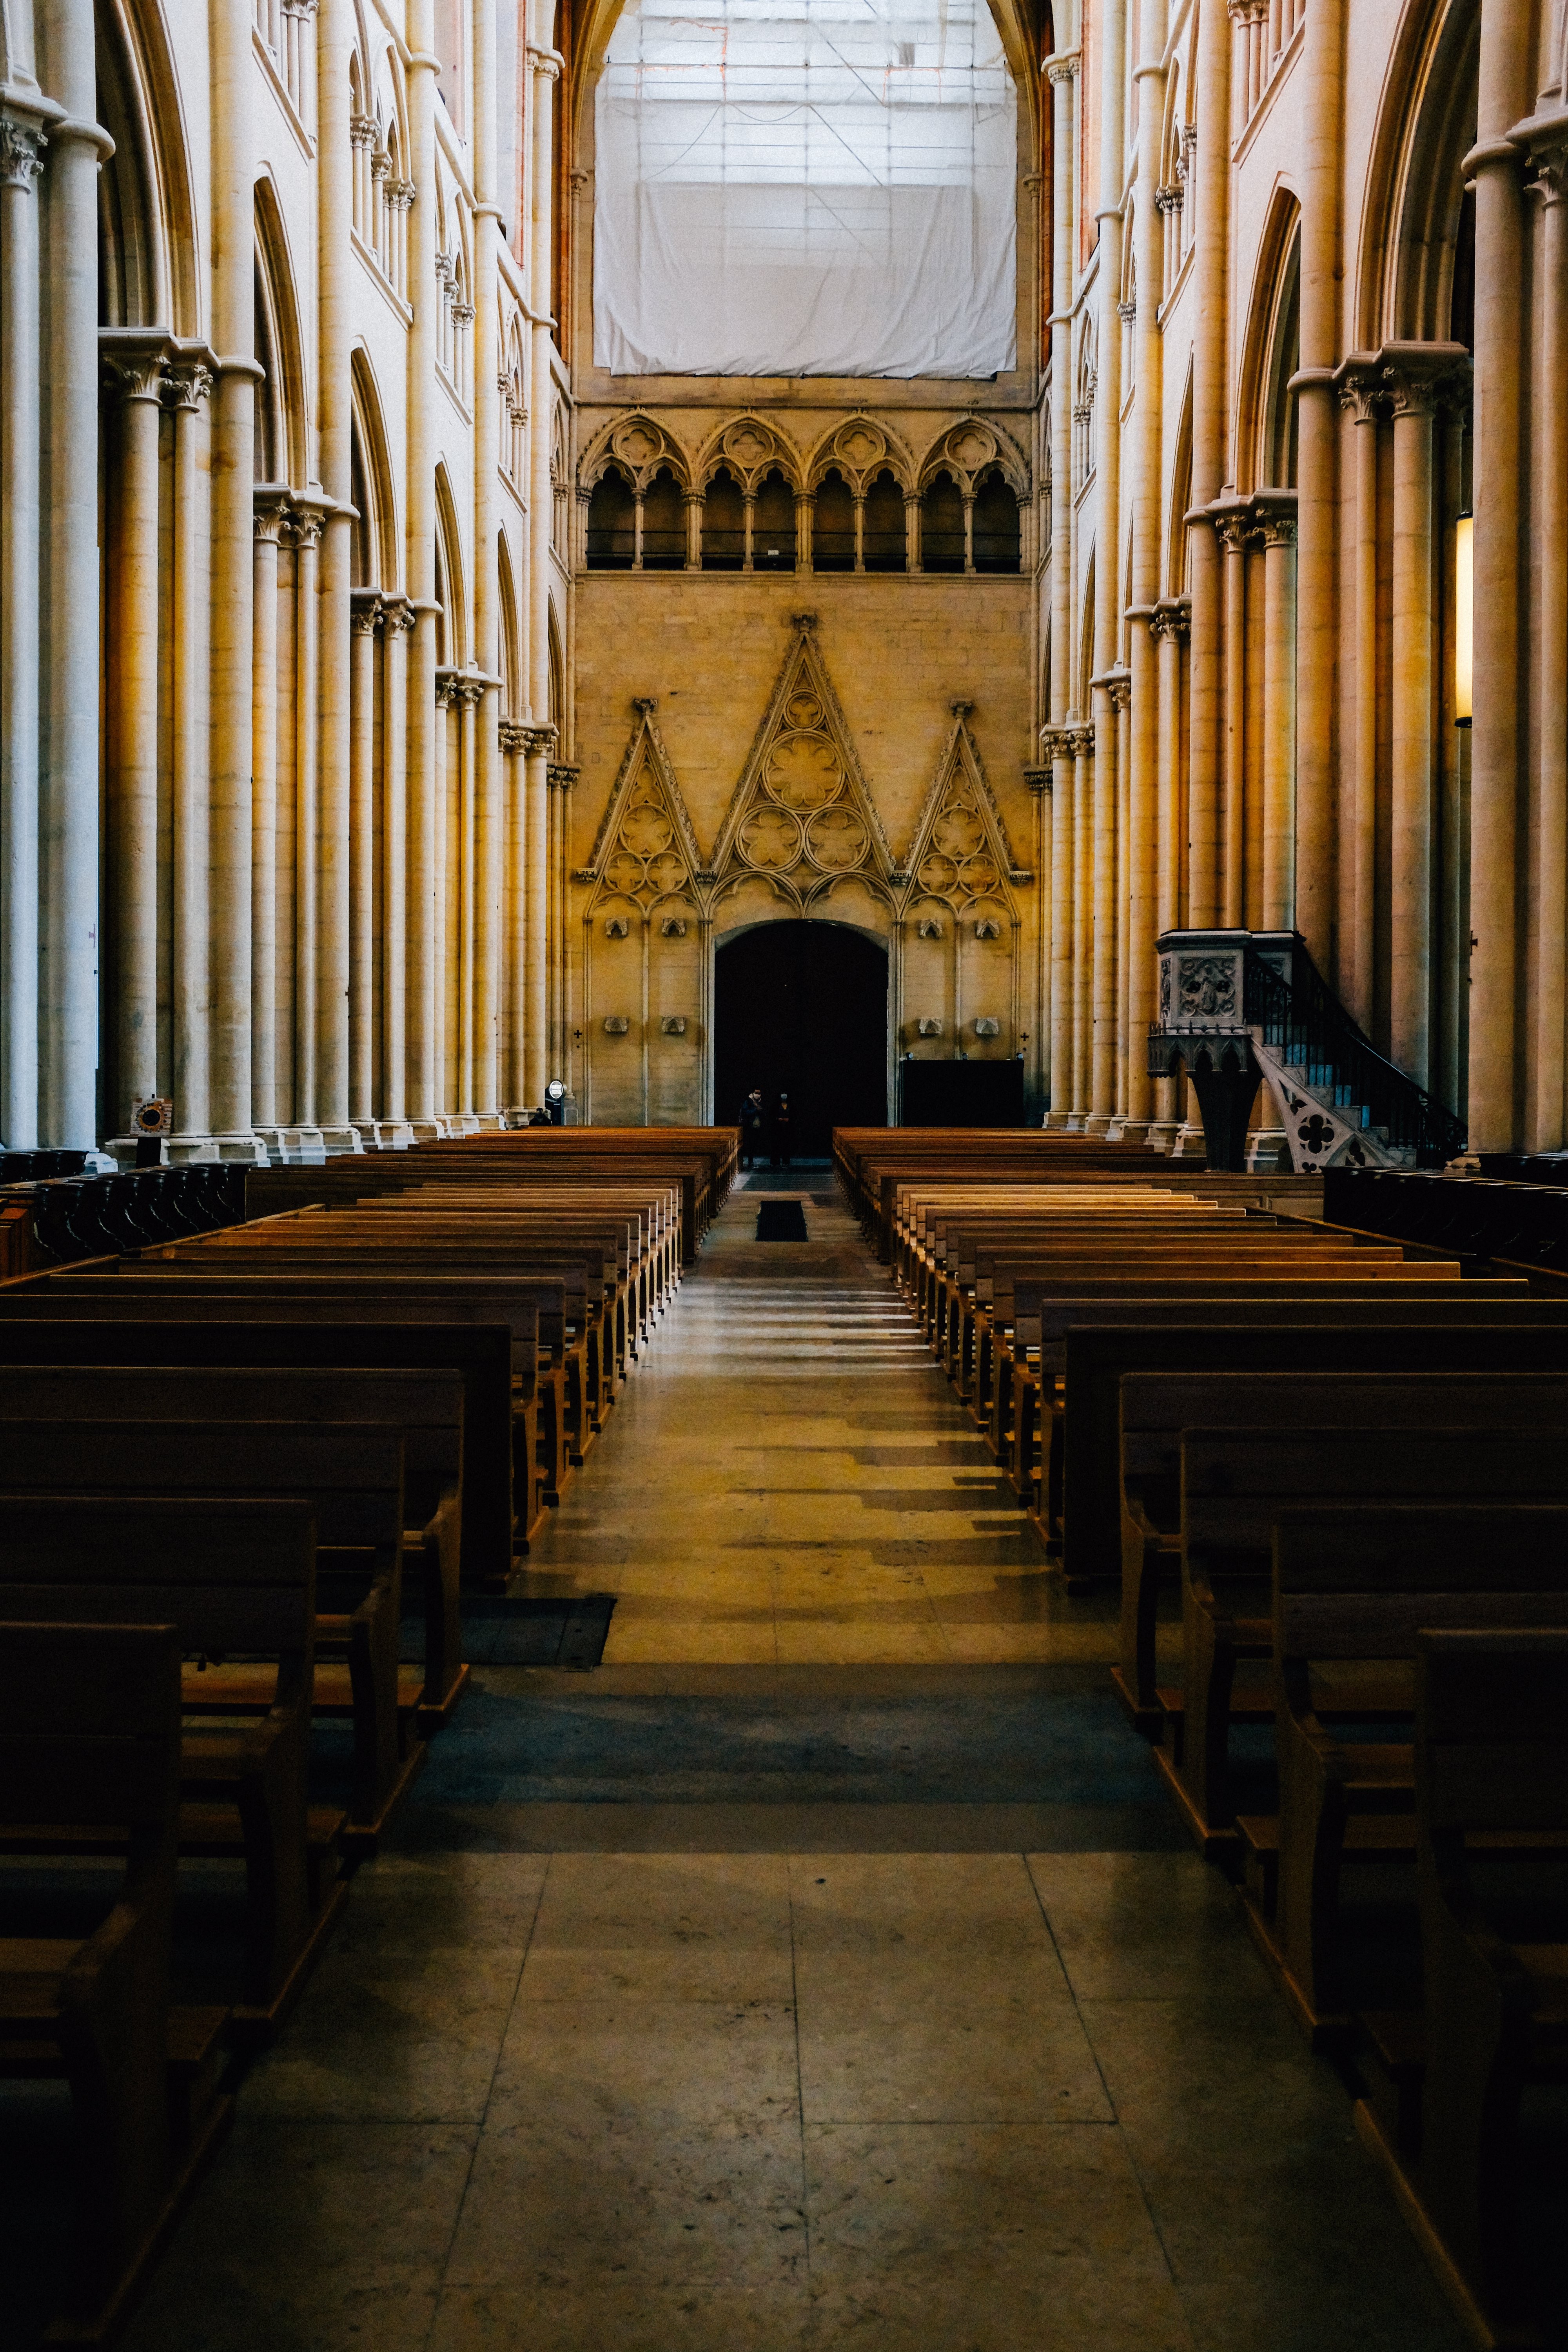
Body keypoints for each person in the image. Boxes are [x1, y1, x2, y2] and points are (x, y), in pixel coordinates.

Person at [738, 1087, 765, 1170]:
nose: (758, 1095)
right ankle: (750, 1162)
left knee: (754, 1145)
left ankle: (751, 1161)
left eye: (759, 1093)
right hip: (749, 1127)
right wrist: (756, 1110)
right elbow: (745, 1113)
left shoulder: (761, 1102)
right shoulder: (748, 1102)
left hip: (758, 1126)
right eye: (756, 1093)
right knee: (750, 1144)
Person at [770, 1090, 792, 1169]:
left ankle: (786, 1162)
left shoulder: (790, 1106)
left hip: (787, 1129)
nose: (784, 1096)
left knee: (786, 1146)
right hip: (777, 1128)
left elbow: (794, 1116)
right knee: (776, 1145)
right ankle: (775, 1162)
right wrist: (777, 1119)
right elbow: (771, 1116)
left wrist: (789, 1120)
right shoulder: (776, 1105)